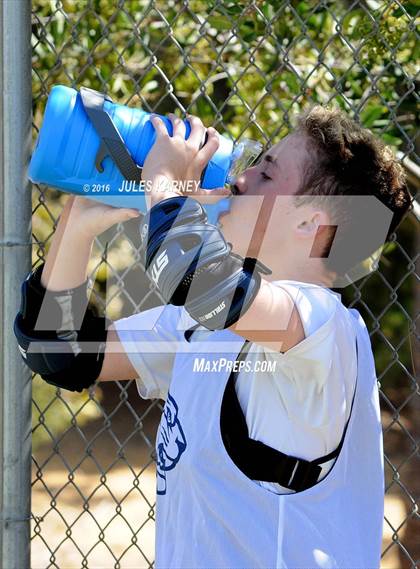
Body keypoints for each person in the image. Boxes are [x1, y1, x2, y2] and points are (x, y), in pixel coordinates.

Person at [14, 105, 411, 568]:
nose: (240, 180)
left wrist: (164, 181)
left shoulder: (325, 329)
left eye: (266, 173)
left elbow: (199, 280)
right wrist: (80, 218)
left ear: (309, 223)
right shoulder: (205, 328)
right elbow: (57, 351)